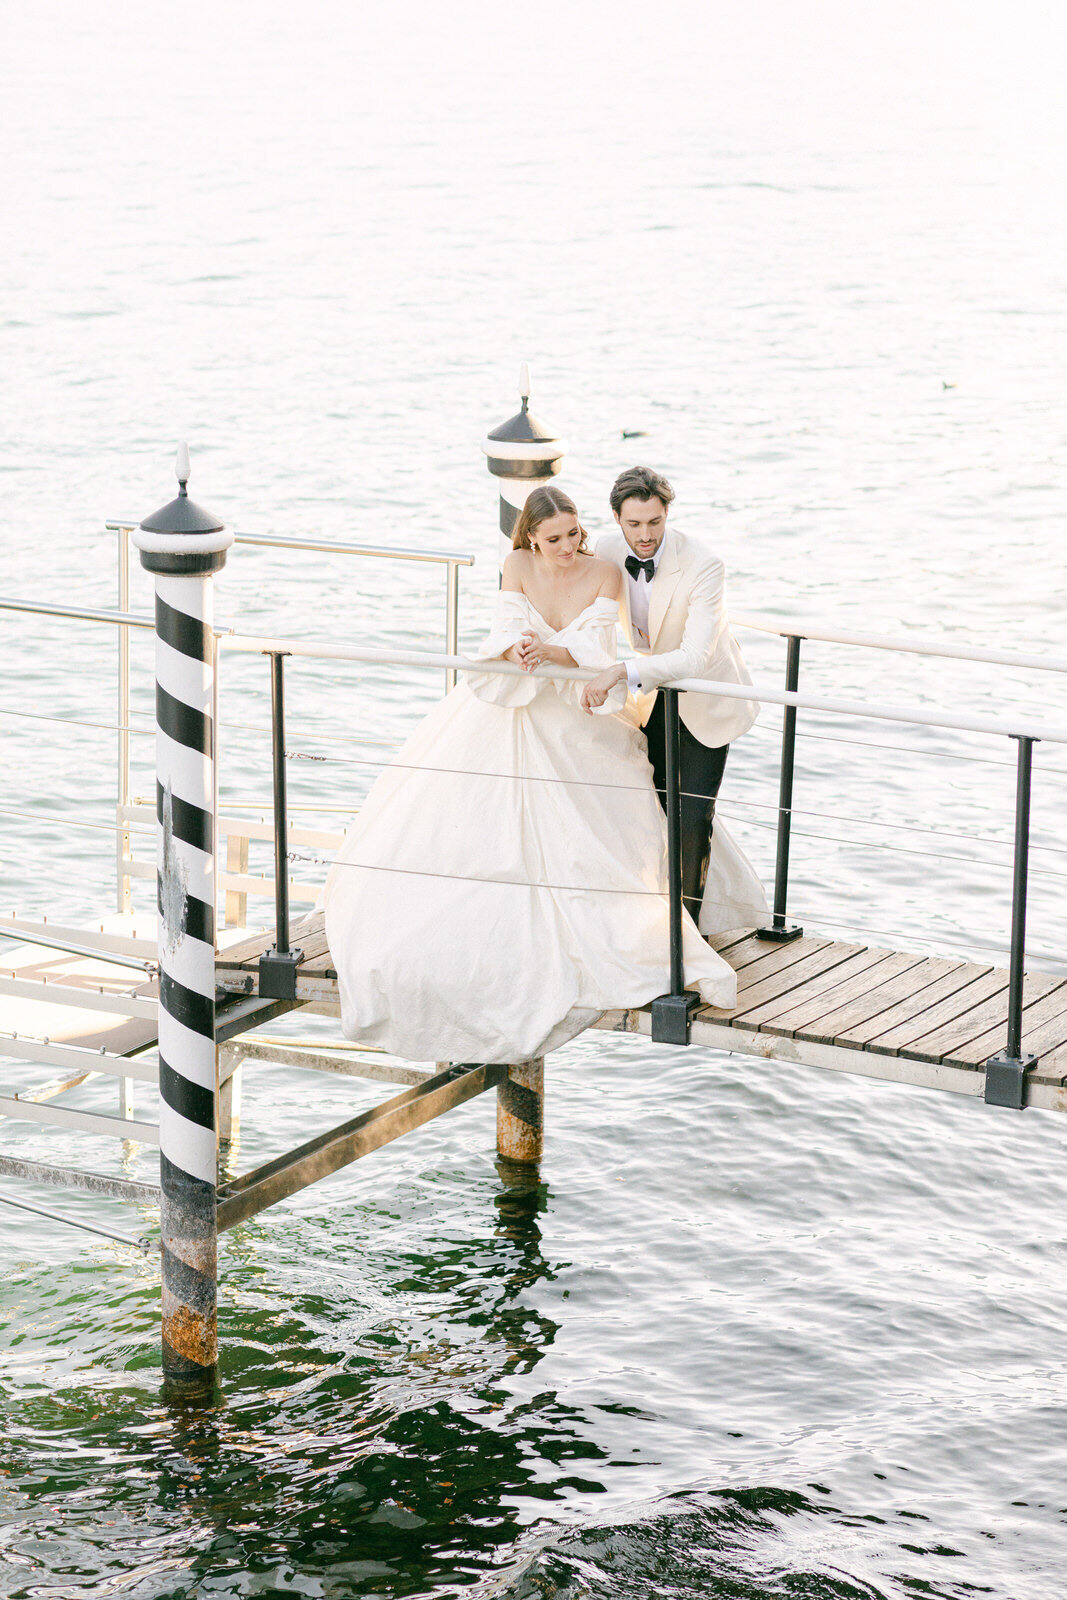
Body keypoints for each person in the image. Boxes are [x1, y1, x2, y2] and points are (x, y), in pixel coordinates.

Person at [323, 485, 764, 1066]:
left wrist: (560, 656)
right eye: (554, 537)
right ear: (532, 535)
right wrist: (520, 650)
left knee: (680, 814)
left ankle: (680, 931)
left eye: (573, 535)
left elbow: (630, 649)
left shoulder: (633, 567)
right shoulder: (537, 561)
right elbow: (506, 625)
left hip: (657, 692)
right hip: (548, 696)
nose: (567, 546)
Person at [582, 467, 760, 927]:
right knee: (649, 807)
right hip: (650, 697)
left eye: (655, 523)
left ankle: (687, 940)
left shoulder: (704, 564)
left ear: (667, 515)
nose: (645, 535)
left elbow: (695, 656)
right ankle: (649, 916)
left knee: (693, 819)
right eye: (634, 524)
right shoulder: (604, 549)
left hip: (706, 699)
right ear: (617, 519)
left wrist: (621, 669)